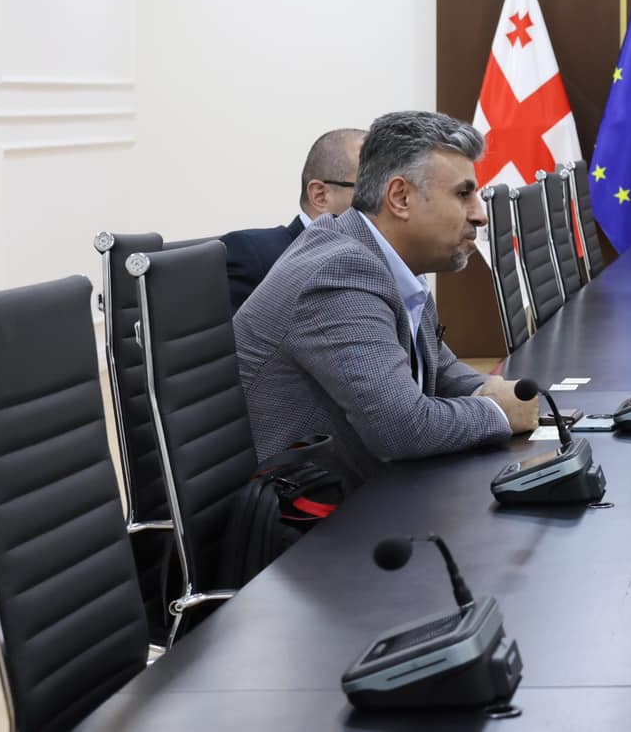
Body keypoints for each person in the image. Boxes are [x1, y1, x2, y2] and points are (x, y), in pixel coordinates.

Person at [235, 111, 541, 489]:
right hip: (311, 513)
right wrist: (498, 412)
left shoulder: (386, 258)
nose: (480, 215)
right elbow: (403, 429)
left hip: (369, 489)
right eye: (463, 194)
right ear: (400, 197)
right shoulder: (340, 272)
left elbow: (439, 368)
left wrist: (489, 389)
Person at [220, 127, 363, 311]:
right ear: (320, 196)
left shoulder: (381, 262)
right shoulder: (253, 256)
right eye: (369, 189)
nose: (386, 204)